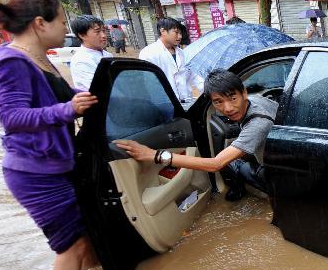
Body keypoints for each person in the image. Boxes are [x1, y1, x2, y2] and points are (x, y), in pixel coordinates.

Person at [0, 0, 99, 270]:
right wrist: (68, 110)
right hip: (35, 173)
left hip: (56, 164)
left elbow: (55, 96)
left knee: (84, 239)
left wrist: (78, 97)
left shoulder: (39, 59)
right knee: (70, 246)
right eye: (62, 22)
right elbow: (12, 116)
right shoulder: (12, 62)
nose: (65, 29)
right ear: (39, 24)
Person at [115, 70, 277, 202]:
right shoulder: (257, 101)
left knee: (230, 161)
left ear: (244, 93)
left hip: (282, 176)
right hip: (282, 157)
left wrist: (155, 155)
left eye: (233, 98)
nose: (227, 108)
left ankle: (243, 189)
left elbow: (215, 164)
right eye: (218, 101)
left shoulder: (257, 123)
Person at [139, 17, 202, 103]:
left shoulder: (182, 53)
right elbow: (150, 84)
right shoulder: (149, 53)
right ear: (163, 31)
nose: (179, 36)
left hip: (186, 102)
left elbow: (193, 75)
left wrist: (208, 91)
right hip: (165, 104)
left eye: (180, 33)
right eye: (176, 33)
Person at [69, 15, 112, 91]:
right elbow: (100, 89)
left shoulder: (107, 55)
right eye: (97, 32)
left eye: (104, 31)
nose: (104, 35)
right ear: (82, 35)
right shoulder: (81, 60)